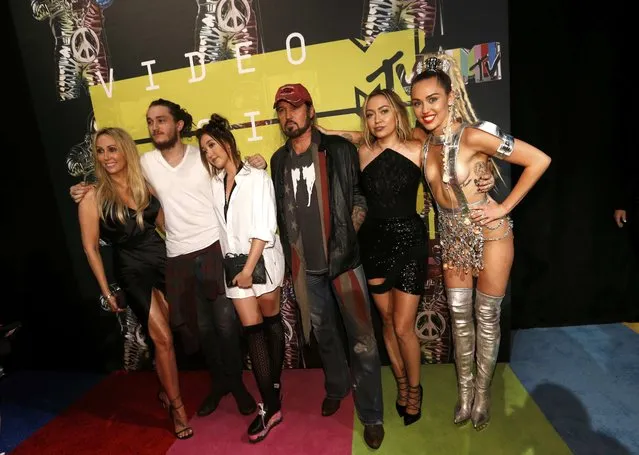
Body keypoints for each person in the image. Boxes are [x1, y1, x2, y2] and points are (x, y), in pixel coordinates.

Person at [71, 99, 267, 418]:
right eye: (150, 122)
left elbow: (233, 172)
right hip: (176, 257)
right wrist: (84, 190)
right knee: (201, 330)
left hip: (213, 249)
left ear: (178, 125)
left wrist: (256, 162)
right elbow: (115, 180)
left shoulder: (200, 155)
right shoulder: (145, 164)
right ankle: (218, 384)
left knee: (226, 325)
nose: (155, 127)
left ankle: (238, 385)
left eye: (161, 120)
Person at [411, 53, 551, 430]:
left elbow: (538, 160)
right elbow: (372, 136)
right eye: (418, 103)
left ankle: (484, 396)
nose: (425, 109)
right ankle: (465, 392)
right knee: (459, 319)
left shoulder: (473, 135)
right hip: (453, 240)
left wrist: (503, 207)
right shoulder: (424, 144)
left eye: (433, 100)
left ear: (451, 96)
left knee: (486, 317)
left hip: (491, 235)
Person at [270, 83, 385, 449]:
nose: (289, 116)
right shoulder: (278, 161)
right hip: (306, 269)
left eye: (296, 107)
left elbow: (358, 196)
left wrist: (347, 234)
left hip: (345, 263)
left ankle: (371, 415)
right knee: (325, 336)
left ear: (310, 111)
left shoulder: (338, 150)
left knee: (363, 341)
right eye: (282, 110)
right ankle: (336, 386)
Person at [77, 127, 193, 439]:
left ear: (125, 150)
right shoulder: (92, 197)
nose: (106, 157)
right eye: (100, 152)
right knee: (163, 339)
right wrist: (106, 289)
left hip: (163, 259)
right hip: (131, 269)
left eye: (112, 149)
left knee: (170, 336)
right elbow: (90, 248)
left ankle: (166, 392)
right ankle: (178, 409)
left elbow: (166, 225)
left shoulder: (146, 184)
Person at [196, 114, 286, 443]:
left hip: (261, 261)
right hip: (235, 268)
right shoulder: (213, 183)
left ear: (228, 143)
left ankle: (274, 385)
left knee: (271, 324)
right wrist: (240, 272)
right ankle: (272, 407)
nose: (209, 152)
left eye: (212, 144)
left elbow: (264, 225)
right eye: (204, 148)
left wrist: (249, 269)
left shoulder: (257, 176)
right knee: (253, 334)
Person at [352, 88, 427, 425]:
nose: (377, 119)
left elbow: (455, 168)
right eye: (370, 114)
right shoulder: (362, 152)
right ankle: (399, 383)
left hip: (410, 241)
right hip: (374, 243)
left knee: (403, 326)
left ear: (397, 113)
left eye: (383, 111)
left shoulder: (419, 148)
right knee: (386, 322)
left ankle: (415, 388)